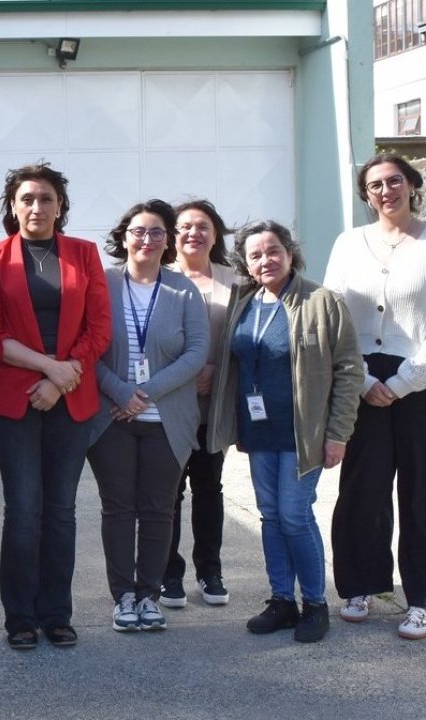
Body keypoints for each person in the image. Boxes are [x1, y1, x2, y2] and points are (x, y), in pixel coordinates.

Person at [324, 153, 426, 640]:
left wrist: (407, 380)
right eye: (375, 185)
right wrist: (363, 380)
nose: (386, 191)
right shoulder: (349, 243)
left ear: (411, 184)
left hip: (424, 379)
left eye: (394, 181)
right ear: (366, 195)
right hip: (362, 376)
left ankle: (423, 597)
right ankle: (360, 586)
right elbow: (334, 315)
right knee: (362, 488)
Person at [207, 220, 362, 643]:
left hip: (303, 432)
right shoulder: (244, 302)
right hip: (259, 433)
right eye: (255, 255)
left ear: (290, 253)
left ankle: (315, 603)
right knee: (271, 516)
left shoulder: (321, 301)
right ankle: (281, 601)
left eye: (273, 250)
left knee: (295, 515)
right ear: (245, 264)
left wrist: (338, 433)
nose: (266, 260)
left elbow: (349, 369)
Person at [0, 164, 110, 649]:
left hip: (71, 396)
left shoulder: (84, 253)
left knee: (60, 510)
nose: (37, 207)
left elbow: (99, 328)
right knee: (23, 510)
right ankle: (20, 618)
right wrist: (49, 369)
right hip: (17, 396)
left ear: (60, 205)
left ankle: (56, 614)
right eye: (27, 199)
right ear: (13, 207)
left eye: (46, 198)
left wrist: (63, 377)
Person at [85, 199, 208, 634]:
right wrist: (121, 392)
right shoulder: (101, 284)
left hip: (167, 420)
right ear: (124, 238)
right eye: (138, 231)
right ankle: (123, 596)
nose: (147, 239)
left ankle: (149, 596)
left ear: (167, 240)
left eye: (157, 232)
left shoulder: (182, 289)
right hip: (111, 418)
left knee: (159, 510)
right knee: (118, 509)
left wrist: (145, 393)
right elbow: (86, 348)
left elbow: (197, 351)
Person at [161, 199, 238, 609]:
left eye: (203, 225)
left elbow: (243, 338)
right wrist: (188, 373)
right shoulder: (160, 277)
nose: (194, 233)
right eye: (185, 226)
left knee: (209, 487)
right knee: (168, 491)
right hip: (172, 404)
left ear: (215, 233)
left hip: (215, 404)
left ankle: (210, 571)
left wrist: (215, 370)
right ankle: (167, 574)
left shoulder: (235, 280)